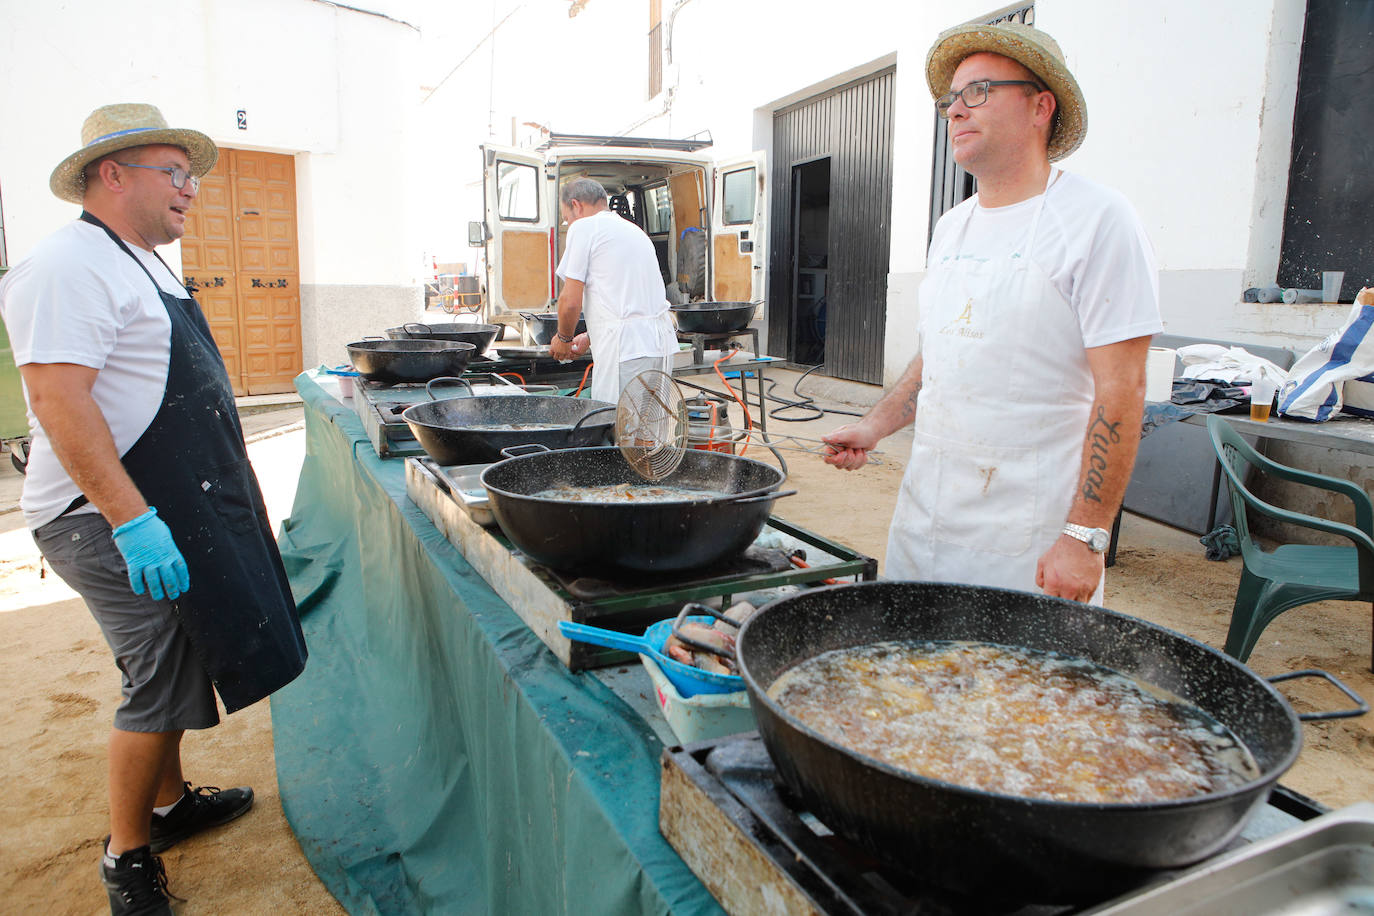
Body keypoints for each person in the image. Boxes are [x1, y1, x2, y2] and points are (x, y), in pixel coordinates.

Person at [0, 103, 307, 915]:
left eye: (191, 176)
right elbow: (60, 404)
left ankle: (170, 806)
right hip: (98, 515)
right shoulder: (65, 266)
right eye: (174, 174)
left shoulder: (143, 261)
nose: (190, 191)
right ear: (112, 174)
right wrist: (131, 521)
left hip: (168, 500)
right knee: (162, 676)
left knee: (181, 659)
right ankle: (127, 854)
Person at [822, 22, 1162, 604]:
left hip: (1027, 536)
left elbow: (1123, 389)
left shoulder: (1097, 220)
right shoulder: (953, 226)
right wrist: (876, 426)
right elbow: (944, 352)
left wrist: (1084, 536)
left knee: (1016, 689)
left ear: (1040, 106)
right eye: (950, 99)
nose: (956, 111)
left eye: (978, 92)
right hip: (927, 518)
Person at [548, 178, 679, 404]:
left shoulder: (584, 227)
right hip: (660, 347)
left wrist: (563, 338)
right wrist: (591, 337)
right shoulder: (633, 230)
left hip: (626, 351)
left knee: (617, 426)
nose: (569, 223)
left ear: (576, 205)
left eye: (566, 218)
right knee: (648, 433)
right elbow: (631, 299)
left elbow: (570, 301)